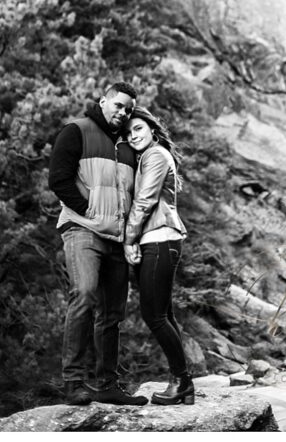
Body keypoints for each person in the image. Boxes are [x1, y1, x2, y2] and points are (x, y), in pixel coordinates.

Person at [48, 82, 147, 406]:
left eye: (129, 109)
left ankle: (107, 385)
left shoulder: (130, 146)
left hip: (117, 240)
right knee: (85, 294)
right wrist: (86, 208)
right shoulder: (77, 131)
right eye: (118, 105)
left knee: (113, 313)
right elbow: (58, 178)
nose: (123, 112)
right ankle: (74, 382)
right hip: (83, 230)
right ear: (103, 101)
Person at [122, 107, 192, 405]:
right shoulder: (150, 157)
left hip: (160, 239)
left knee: (154, 315)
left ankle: (182, 381)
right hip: (160, 239)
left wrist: (129, 240)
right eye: (128, 133)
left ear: (152, 128)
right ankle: (182, 382)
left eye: (138, 128)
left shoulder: (155, 156)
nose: (133, 136)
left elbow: (145, 200)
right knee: (164, 315)